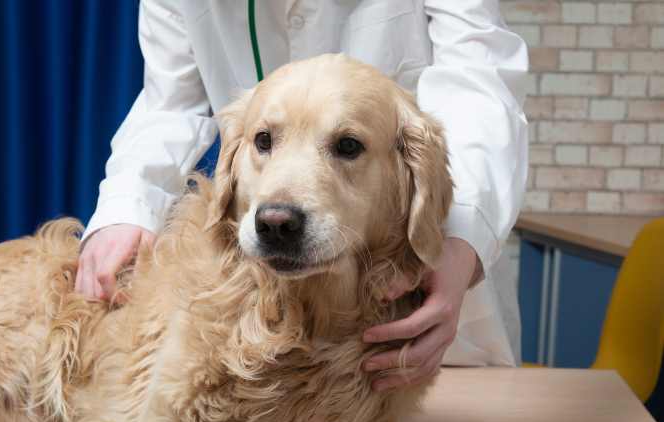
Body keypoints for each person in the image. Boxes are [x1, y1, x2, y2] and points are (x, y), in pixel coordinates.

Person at [76, 0, 529, 391]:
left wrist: (459, 240)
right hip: (260, 301)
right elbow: (171, 101)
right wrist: (126, 205)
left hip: (417, 280)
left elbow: (480, 82)